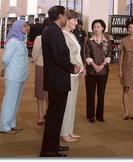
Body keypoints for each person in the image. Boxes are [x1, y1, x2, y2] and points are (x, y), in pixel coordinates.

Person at [40, 6, 81, 157]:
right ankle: (49, 150)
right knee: (54, 116)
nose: (66, 18)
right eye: (64, 15)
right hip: (58, 79)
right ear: (59, 16)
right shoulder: (54, 32)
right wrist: (73, 67)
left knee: (56, 115)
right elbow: (59, 57)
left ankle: (53, 144)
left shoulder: (51, 30)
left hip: (56, 78)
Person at [0, 20, 29, 134]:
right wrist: (5, 68)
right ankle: (4, 126)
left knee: (15, 101)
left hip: (20, 75)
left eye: (27, 25)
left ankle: (11, 123)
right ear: (18, 27)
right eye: (24, 26)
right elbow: (5, 59)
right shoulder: (13, 42)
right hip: (13, 76)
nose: (27, 27)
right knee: (9, 101)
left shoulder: (21, 40)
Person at [60, 9, 86, 142]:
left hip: (75, 73)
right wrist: (79, 68)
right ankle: (64, 132)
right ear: (67, 20)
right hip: (69, 74)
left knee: (72, 103)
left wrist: (82, 67)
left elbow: (77, 54)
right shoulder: (63, 35)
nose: (77, 23)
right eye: (74, 20)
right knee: (67, 103)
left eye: (76, 20)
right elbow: (69, 56)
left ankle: (69, 130)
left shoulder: (72, 34)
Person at [85, 19, 112, 123]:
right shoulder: (89, 40)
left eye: (98, 27)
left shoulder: (108, 40)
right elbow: (86, 54)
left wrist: (102, 65)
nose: (96, 29)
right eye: (95, 27)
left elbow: (109, 54)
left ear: (103, 28)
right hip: (91, 70)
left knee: (101, 94)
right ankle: (91, 115)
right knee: (90, 93)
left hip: (104, 71)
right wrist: (95, 65)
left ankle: (100, 115)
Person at [32, 18, 50, 126]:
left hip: (53, 69)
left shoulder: (58, 37)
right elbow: (35, 53)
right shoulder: (39, 38)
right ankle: (40, 114)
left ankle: (48, 113)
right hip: (41, 66)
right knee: (40, 93)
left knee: (50, 94)